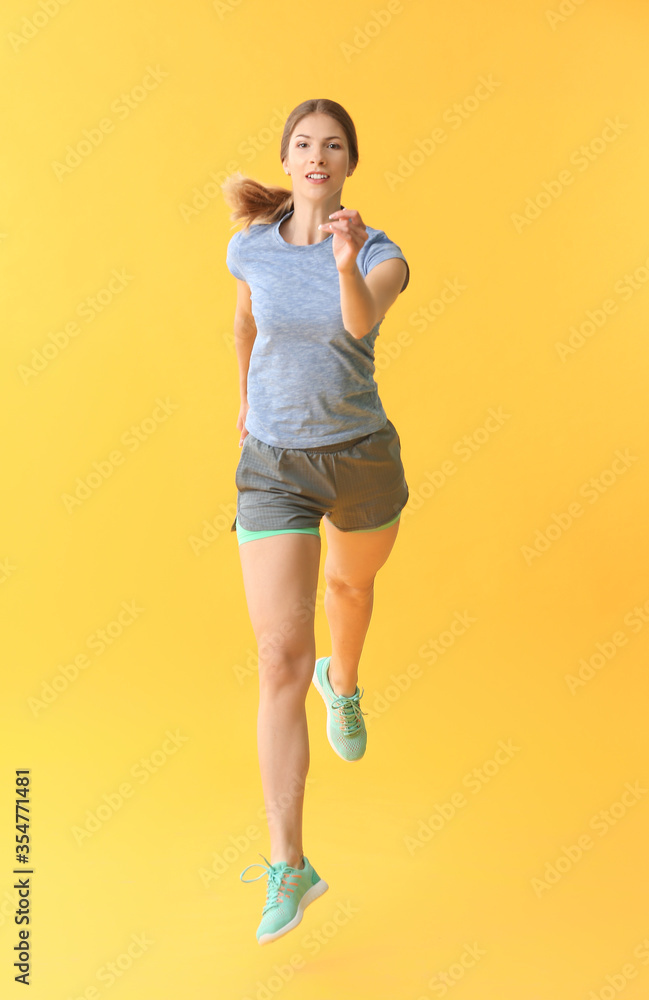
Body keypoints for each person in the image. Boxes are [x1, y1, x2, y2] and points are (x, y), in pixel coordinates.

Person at [221, 98, 410, 946]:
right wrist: (243, 404)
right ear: (288, 158)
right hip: (272, 467)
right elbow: (245, 323)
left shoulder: (380, 253)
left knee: (350, 586)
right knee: (276, 656)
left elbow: (360, 324)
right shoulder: (248, 246)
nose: (316, 155)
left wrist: (341, 259)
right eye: (303, 144)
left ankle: (348, 683)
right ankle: (290, 863)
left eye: (332, 146)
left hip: (359, 455)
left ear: (348, 164)